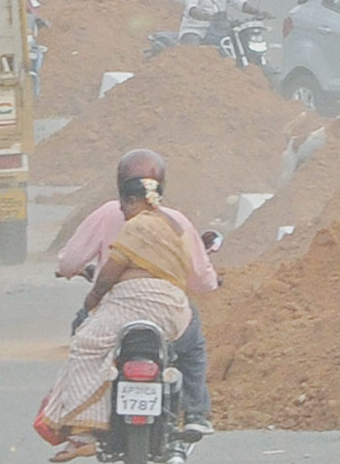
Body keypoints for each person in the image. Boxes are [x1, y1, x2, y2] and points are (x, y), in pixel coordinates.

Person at [56, 150, 219, 437]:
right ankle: (195, 411)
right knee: (192, 346)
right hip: (168, 309)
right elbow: (203, 280)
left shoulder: (110, 214)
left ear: (122, 190)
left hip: (116, 308)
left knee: (83, 339)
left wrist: (90, 293)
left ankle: (85, 416)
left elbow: (72, 263)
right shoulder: (175, 221)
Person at [36, 167, 193, 460]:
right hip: (174, 310)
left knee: (86, 345)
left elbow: (109, 273)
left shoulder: (138, 226)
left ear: (135, 201)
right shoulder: (176, 225)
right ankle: (194, 413)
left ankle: (84, 430)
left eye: (124, 206)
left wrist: (93, 298)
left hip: (133, 302)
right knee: (184, 354)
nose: (123, 212)